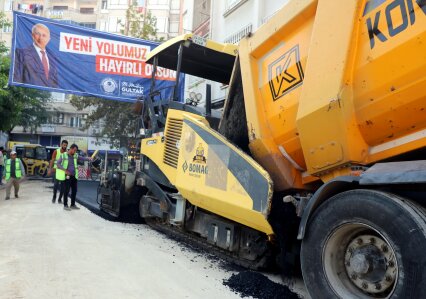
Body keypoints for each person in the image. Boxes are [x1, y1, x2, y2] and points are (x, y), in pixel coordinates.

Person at [13, 23, 59, 87]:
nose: (40, 38)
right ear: (32, 35)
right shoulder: (21, 53)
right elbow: (16, 78)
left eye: (44, 35)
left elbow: (55, 83)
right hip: (28, 94)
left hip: (47, 96)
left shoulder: (52, 58)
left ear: (49, 39)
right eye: (38, 34)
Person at [56, 144, 91, 211]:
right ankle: (65, 205)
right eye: (74, 150)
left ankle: (72, 205)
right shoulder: (64, 155)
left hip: (74, 176)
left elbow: (82, 158)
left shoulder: (75, 155)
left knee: (74, 191)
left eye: (76, 150)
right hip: (67, 176)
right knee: (67, 191)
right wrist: (65, 170)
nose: (75, 152)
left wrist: (88, 158)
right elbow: (58, 164)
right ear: (71, 149)